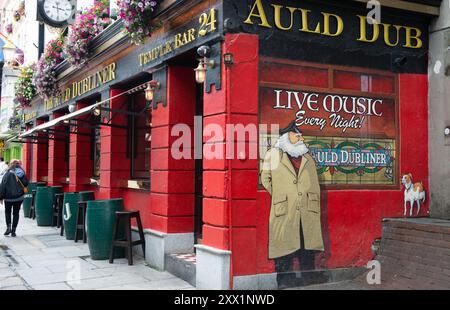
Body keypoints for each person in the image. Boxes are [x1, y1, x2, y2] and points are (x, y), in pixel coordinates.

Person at [261, 121, 324, 287]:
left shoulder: (307, 156)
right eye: (297, 134)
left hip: (306, 208)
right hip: (285, 207)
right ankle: (284, 280)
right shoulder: (273, 154)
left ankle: (307, 277)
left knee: (306, 244)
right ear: (286, 136)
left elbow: (314, 181)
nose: (300, 137)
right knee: (284, 245)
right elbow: (265, 179)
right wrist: (279, 195)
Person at [0, 159, 29, 237]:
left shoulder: (7, 173)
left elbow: (3, 186)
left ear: (10, 164)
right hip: (18, 197)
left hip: (8, 198)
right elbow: (26, 183)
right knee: (16, 213)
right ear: (18, 165)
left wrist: (1, 197)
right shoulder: (22, 172)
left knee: (7, 212)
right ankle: (13, 231)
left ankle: (8, 227)